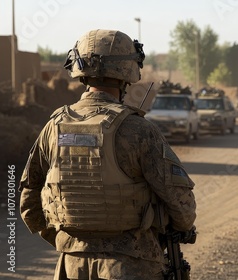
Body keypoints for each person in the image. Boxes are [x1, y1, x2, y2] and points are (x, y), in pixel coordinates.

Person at [19, 29, 196, 279]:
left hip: (71, 266)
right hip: (132, 264)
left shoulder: (53, 127)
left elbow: (29, 201)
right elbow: (181, 204)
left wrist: (69, 241)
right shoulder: (139, 130)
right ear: (127, 73)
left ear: (79, 69)